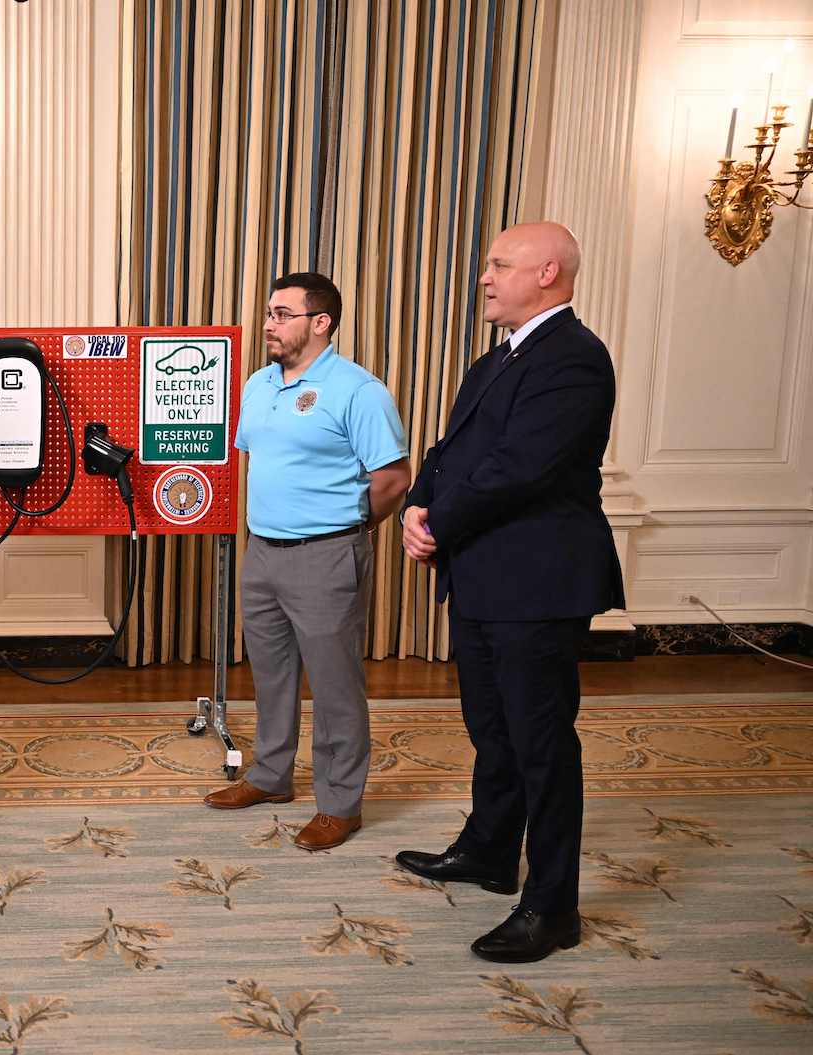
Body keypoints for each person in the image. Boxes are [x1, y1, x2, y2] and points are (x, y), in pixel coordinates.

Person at [396, 221, 624, 964]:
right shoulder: (498, 357)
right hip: (484, 575)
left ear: (548, 271)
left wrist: (439, 521)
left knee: (542, 745)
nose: (485, 277)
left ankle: (553, 906)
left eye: (499, 264)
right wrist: (418, 507)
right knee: (492, 728)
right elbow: (451, 450)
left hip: (538, 581)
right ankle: (491, 851)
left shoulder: (576, 360)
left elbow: (520, 469)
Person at [204, 272, 410, 852]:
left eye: (282, 314)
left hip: (326, 555)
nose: (268, 324)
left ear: (320, 322)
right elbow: (262, 461)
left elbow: (394, 479)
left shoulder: (358, 390)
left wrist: (348, 526)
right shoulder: (257, 384)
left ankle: (340, 804)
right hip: (262, 551)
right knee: (271, 675)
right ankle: (271, 777)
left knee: (335, 684)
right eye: (268, 312)